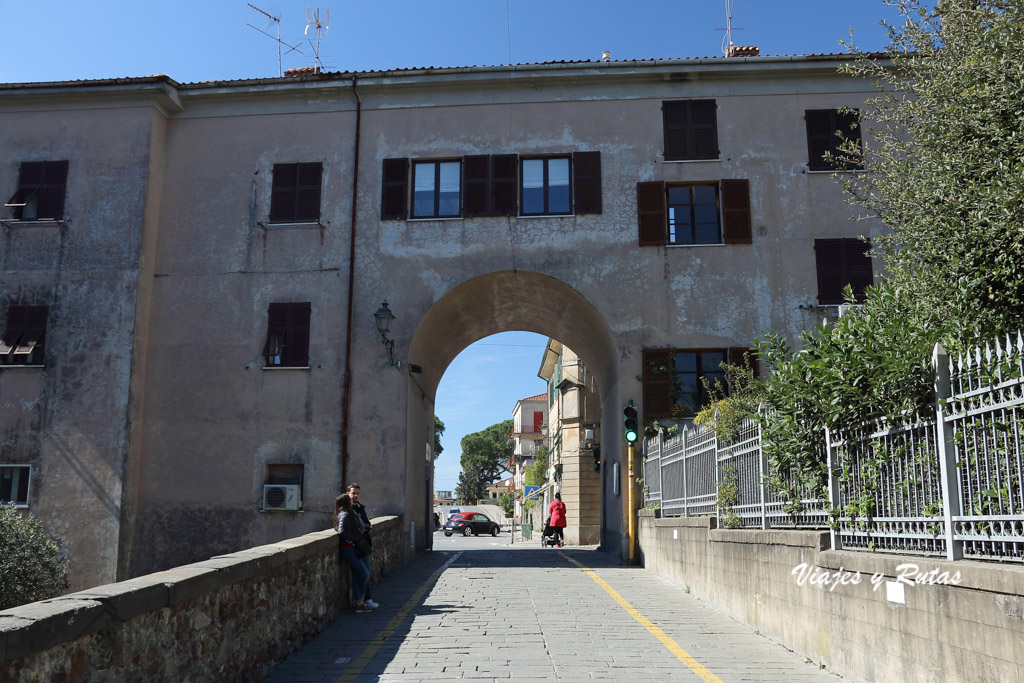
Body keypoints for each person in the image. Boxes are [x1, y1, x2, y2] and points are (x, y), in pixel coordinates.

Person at [334, 493, 373, 613]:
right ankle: (360, 599)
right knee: (364, 573)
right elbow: (341, 532)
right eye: (350, 500)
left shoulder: (349, 513)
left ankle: (358, 603)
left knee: (358, 574)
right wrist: (355, 537)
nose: (352, 501)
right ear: (347, 502)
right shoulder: (345, 515)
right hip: (349, 548)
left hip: (353, 548)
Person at [347, 483, 378, 608]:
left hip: (363, 544)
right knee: (361, 573)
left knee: (366, 572)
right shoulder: (346, 510)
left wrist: (367, 527)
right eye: (353, 493)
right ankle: (360, 600)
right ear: (348, 493)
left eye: (358, 493)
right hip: (353, 545)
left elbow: (366, 522)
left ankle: (366, 599)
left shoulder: (360, 507)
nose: (356, 496)